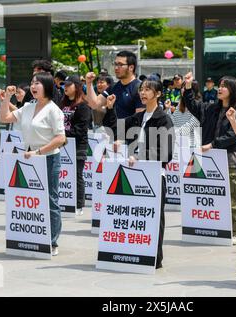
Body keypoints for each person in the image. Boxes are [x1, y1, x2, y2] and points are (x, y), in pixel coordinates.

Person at [103, 79, 174, 269]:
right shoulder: (138, 117)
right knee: (135, 217)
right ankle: (134, 252)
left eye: (148, 90)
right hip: (134, 174)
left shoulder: (164, 119)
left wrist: (139, 155)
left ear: (158, 94)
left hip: (154, 176)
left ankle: (154, 258)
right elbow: (113, 130)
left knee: (154, 217)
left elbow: (166, 153)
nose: (143, 93)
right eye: (141, 90)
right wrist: (110, 109)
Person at [0, 72, 66, 256]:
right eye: (32, 83)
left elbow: (61, 138)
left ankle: (52, 241)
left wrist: (38, 151)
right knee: (32, 199)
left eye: (38, 83)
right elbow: (5, 118)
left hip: (48, 157)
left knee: (51, 200)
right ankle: (34, 235)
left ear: (48, 86)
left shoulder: (54, 110)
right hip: (30, 157)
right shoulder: (28, 107)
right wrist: (6, 98)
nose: (34, 86)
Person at [183, 72, 236, 240]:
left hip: (229, 159)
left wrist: (213, 144)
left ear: (233, 90)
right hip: (210, 160)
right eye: (220, 85)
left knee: (233, 199)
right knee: (213, 196)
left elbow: (235, 135)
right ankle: (216, 228)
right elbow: (193, 105)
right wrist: (188, 86)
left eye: (224, 86)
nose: (220, 88)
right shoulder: (211, 108)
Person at [60, 76, 92, 216]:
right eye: (64, 84)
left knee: (77, 174)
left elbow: (81, 129)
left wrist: (61, 133)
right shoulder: (62, 104)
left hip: (78, 146)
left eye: (69, 84)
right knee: (64, 175)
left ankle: (79, 204)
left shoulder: (83, 106)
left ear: (77, 86)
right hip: (62, 145)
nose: (65, 87)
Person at [85, 51, 144, 119]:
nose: (116, 68)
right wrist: (89, 83)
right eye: (115, 64)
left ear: (131, 67)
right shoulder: (114, 87)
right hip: (115, 128)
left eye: (120, 65)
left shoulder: (140, 88)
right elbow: (94, 104)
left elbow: (139, 120)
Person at [164, 80, 200, 148]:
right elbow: (172, 123)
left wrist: (173, 133)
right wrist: (168, 109)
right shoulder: (179, 105)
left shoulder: (198, 106)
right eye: (182, 87)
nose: (183, 89)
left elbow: (189, 126)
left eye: (185, 87)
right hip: (178, 144)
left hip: (192, 146)